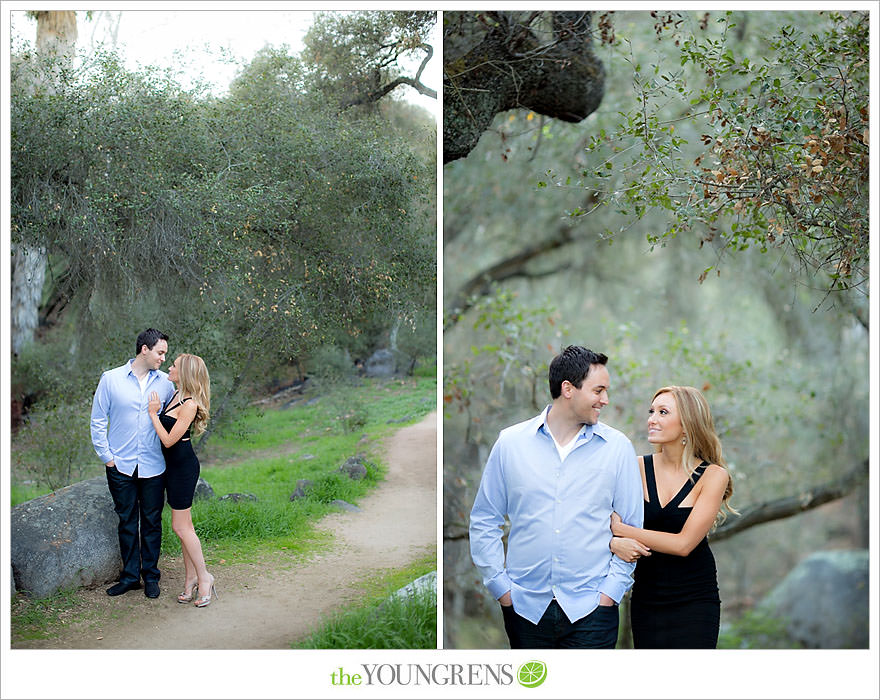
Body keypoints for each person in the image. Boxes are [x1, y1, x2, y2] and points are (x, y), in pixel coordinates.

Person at [469, 346, 643, 648]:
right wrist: (502, 588)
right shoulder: (510, 444)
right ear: (568, 389)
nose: (605, 400)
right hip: (524, 610)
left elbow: (632, 525)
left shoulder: (617, 448)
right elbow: (485, 519)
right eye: (598, 390)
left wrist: (610, 592)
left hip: (592, 611)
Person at [609, 385, 735, 648]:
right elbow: (597, 522)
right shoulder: (634, 467)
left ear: (688, 424)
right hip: (647, 597)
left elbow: (683, 544)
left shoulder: (713, 476)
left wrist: (624, 531)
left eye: (663, 412)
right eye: (651, 411)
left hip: (695, 600)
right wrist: (613, 539)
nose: (652, 419)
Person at [90, 328, 175, 598]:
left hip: (154, 465)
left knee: (151, 522)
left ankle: (151, 576)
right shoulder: (111, 379)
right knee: (127, 521)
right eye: (160, 352)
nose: (163, 358)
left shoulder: (165, 384)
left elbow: (173, 421)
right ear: (145, 350)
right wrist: (108, 458)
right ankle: (129, 577)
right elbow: (98, 419)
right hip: (121, 465)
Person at [148, 353, 218, 607]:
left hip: (183, 469)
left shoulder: (189, 404)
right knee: (184, 528)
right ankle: (190, 580)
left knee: (181, 527)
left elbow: (169, 440)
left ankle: (205, 577)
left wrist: (153, 415)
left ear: (184, 372)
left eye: (174, 365)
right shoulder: (176, 394)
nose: (170, 367)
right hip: (171, 468)